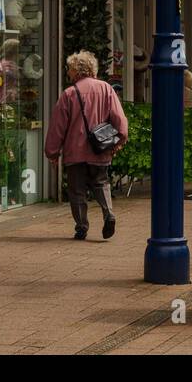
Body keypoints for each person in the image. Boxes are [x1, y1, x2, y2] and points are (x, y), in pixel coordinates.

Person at [45, 50, 127, 241]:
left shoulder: (69, 94)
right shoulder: (107, 89)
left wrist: (52, 152)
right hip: (100, 149)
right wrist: (120, 140)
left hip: (75, 153)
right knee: (101, 183)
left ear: (76, 70)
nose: (68, 73)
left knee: (77, 190)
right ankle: (109, 213)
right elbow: (120, 119)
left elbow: (58, 126)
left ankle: (81, 227)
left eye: (70, 69)